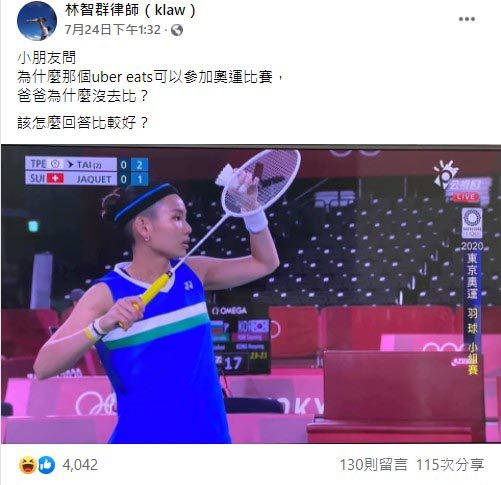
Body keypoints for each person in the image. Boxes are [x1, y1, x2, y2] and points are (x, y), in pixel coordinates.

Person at [34, 178, 279, 443]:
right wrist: (101, 325)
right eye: (177, 218)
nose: (188, 228)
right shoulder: (106, 293)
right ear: (144, 227)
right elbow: (43, 366)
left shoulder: (194, 272)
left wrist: (251, 207)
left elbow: (264, 263)